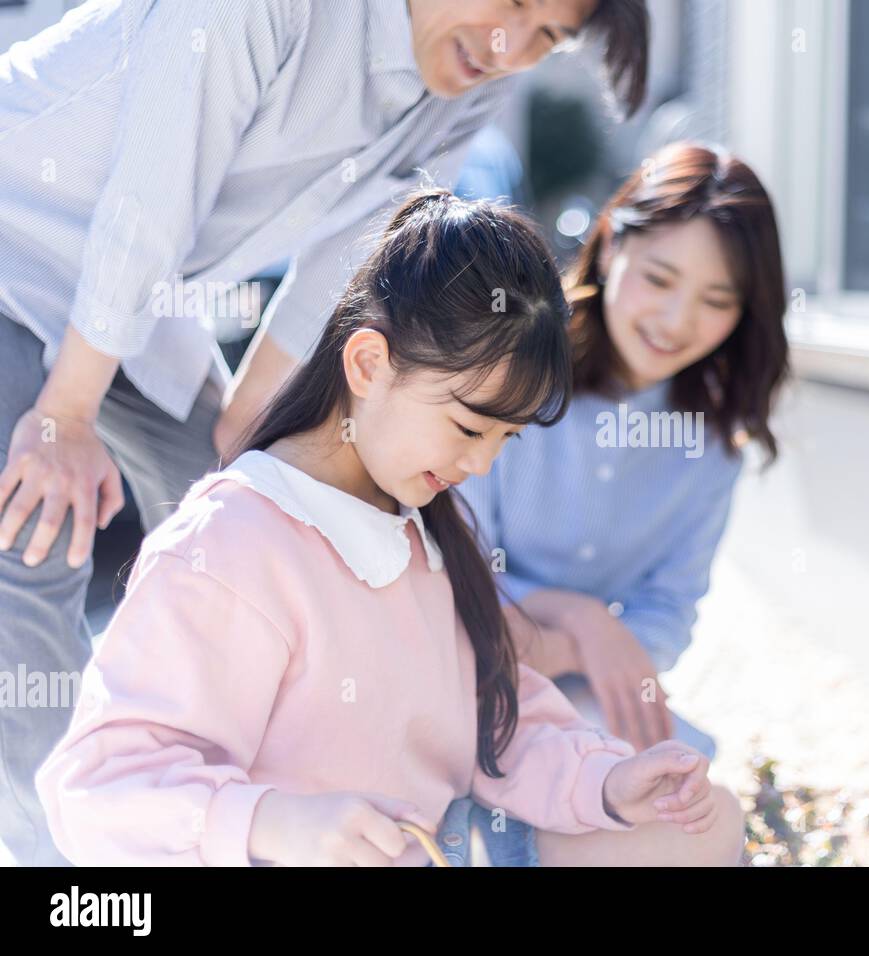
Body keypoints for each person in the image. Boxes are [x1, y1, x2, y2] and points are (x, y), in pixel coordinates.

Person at [0, 0, 649, 865]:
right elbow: (147, 205)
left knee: (240, 510)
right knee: (41, 522)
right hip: (19, 252)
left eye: (547, 39)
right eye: (516, 3)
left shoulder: (467, 81)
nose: (512, 47)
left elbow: (344, 275)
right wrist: (64, 417)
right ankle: (56, 856)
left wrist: (256, 443)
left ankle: (194, 792)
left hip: (142, 310)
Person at [35, 190, 745, 867]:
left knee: (702, 822)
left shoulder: (428, 529)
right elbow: (97, 791)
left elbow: (502, 713)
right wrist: (274, 822)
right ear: (369, 364)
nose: (479, 462)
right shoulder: (229, 544)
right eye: (469, 425)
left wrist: (605, 786)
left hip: (449, 842)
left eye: (506, 439)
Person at [459, 142, 790, 758]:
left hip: (574, 689)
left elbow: (668, 611)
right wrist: (584, 619)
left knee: (687, 792)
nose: (675, 320)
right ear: (611, 246)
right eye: (659, 279)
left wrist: (570, 646)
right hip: (447, 666)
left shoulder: (712, 447)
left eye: (717, 301)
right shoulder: (504, 373)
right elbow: (453, 561)